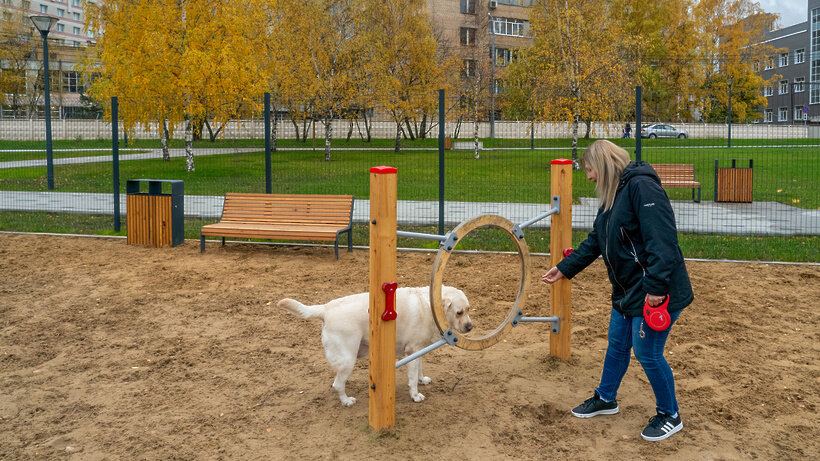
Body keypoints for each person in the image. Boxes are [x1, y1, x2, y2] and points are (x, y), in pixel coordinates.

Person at [541, 139, 693, 442]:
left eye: (589, 170)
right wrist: (565, 268)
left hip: (653, 289)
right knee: (617, 344)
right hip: (628, 289)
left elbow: (662, 242)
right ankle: (606, 398)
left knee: (647, 353)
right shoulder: (612, 196)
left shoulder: (641, 188)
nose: (589, 177)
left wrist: (656, 289)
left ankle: (670, 414)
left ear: (604, 165)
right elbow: (597, 240)